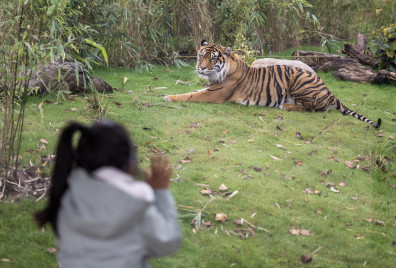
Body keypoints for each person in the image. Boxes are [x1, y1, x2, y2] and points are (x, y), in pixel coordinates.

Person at [34, 120, 182, 268]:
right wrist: (160, 192)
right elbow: (168, 242)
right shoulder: (136, 204)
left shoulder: (67, 195)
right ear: (130, 163)